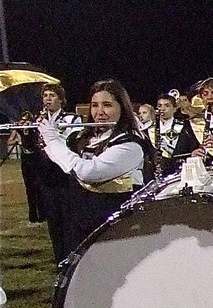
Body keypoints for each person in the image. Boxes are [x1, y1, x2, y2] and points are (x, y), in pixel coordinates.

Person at [39, 79, 147, 259]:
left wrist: (53, 141)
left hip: (114, 230)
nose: (100, 112)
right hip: (80, 224)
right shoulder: (81, 139)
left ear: (122, 108)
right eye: (95, 105)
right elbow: (55, 173)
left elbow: (89, 172)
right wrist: (36, 143)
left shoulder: (130, 145)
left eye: (107, 105)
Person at [7, 84, 81, 231]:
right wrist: (25, 133)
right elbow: (31, 147)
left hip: (63, 170)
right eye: (45, 95)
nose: (48, 99)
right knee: (52, 217)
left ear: (61, 100)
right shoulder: (37, 120)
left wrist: (51, 132)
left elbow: (72, 143)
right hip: (44, 170)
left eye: (52, 95)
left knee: (67, 214)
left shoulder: (72, 118)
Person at [144, 92, 200, 178]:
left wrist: (168, 148)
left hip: (181, 171)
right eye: (159, 105)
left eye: (167, 105)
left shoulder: (185, 126)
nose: (162, 109)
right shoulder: (149, 130)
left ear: (174, 109)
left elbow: (193, 149)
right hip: (156, 173)